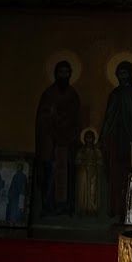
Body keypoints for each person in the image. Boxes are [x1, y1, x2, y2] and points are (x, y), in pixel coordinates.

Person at [34, 59, 82, 216]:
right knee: (50, 174)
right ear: (56, 74)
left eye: (67, 72)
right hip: (51, 143)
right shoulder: (48, 94)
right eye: (61, 72)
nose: (64, 75)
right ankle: (48, 206)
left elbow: (76, 119)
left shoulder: (73, 95)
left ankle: (66, 206)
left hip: (67, 144)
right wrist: (54, 121)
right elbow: (43, 118)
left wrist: (69, 130)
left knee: (67, 175)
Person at [100, 60, 132, 222]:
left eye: (125, 73)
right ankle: (116, 209)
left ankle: (131, 212)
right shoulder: (115, 94)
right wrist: (103, 138)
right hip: (116, 141)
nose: (122, 76)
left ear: (131, 74)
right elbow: (109, 119)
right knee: (116, 177)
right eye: (120, 73)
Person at [75, 129, 104, 217]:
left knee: (93, 191)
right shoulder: (81, 151)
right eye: (87, 138)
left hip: (93, 173)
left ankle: (92, 209)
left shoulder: (96, 151)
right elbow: (77, 161)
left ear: (94, 139)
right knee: (83, 190)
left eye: (90, 138)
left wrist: (95, 166)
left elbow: (100, 161)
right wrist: (82, 165)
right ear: (84, 139)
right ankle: (83, 209)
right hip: (83, 173)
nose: (89, 140)